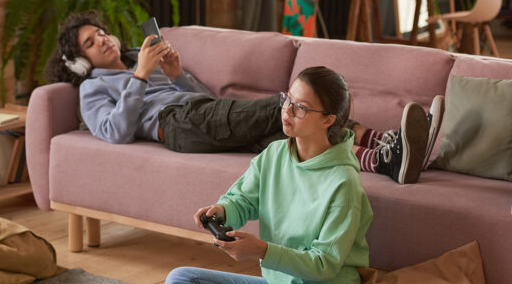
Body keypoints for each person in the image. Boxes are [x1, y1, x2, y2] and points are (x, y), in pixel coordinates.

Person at [44, 10, 444, 184]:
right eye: (90, 42)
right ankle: (382, 137)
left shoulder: (140, 58)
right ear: (79, 60)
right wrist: (142, 76)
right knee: (285, 104)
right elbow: (115, 132)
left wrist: (175, 74)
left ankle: (386, 161)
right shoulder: (93, 87)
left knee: (292, 142)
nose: (102, 40)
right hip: (176, 127)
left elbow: (208, 101)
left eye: (101, 33)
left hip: (199, 115)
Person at [163, 66, 373, 284]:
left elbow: (325, 264)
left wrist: (263, 251)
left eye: (301, 107)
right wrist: (221, 210)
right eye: (288, 99)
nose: (287, 110)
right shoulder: (275, 153)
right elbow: (243, 200)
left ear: (328, 119)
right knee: (178, 280)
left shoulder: (343, 183)